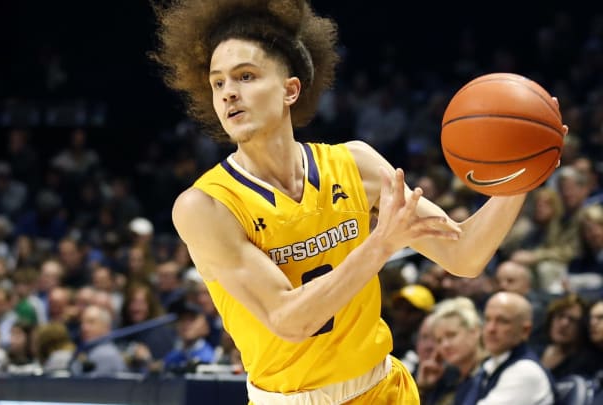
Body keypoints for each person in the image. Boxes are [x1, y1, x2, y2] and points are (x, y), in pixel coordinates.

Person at [151, 0, 567, 402]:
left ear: (290, 90)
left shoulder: (356, 163)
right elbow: (288, 319)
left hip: (386, 391)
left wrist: (521, 174)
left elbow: (464, 255)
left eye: (245, 76)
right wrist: (381, 244)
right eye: (218, 82)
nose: (227, 94)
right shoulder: (205, 206)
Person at [457, 291, 555, 405]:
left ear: (525, 331)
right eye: (487, 319)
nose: (491, 328)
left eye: (503, 321)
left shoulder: (525, 372)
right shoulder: (489, 365)